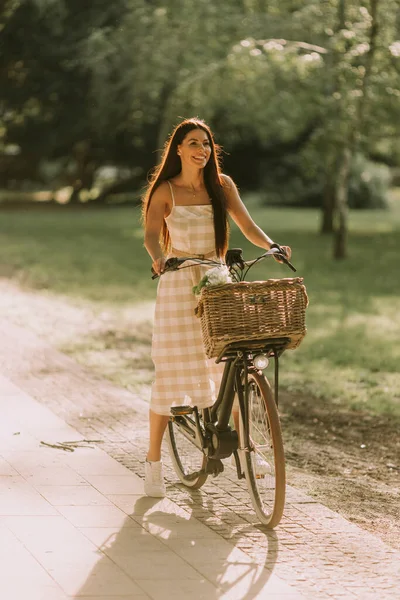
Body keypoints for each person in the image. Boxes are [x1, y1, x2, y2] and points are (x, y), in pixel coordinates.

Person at [142, 117, 291, 497]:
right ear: (178, 149)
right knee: (172, 371)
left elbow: (247, 225)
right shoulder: (166, 190)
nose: (201, 150)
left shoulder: (221, 186)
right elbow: (150, 235)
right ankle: (153, 463)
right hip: (179, 280)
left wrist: (271, 245)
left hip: (217, 280)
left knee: (229, 363)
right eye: (193, 143)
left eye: (206, 144)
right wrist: (160, 258)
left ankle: (247, 447)